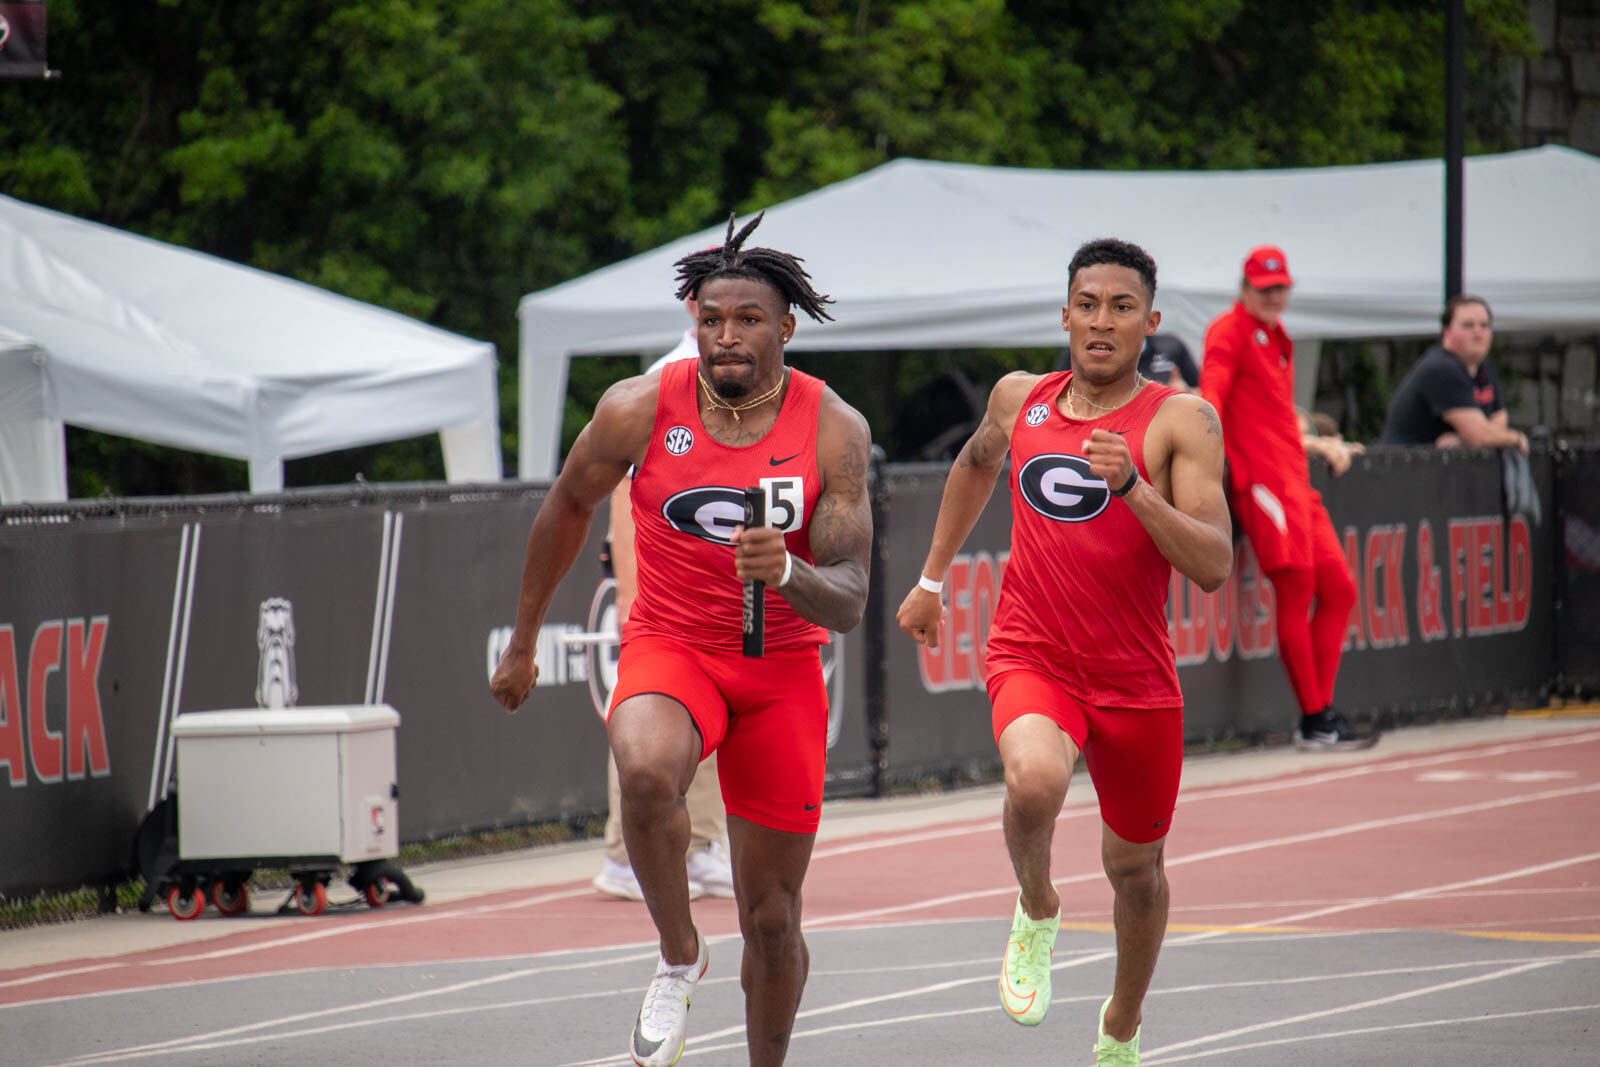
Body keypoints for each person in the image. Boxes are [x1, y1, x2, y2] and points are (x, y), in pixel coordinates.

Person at [491, 211, 872, 1067]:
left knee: (772, 920)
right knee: (647, 767)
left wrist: (790, 575)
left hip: (779, 669)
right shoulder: (638, 406)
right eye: (710, 319)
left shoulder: (834, 427)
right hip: (674, 647)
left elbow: (848, 598)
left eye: (746, 321)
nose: (726, 337)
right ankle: (676, 953)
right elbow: (566, 505)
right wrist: (523, 640)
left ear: (786, 326)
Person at [898, 238, 1233, 1065]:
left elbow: (1215, 562)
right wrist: (932, 580)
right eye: (1088, 303)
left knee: (1137, 871)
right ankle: (1038, 903)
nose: (1102, 321)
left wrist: (1133, 489)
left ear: (1150, 322)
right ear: (1065, 314)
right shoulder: (1020, 399)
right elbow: (975, 466)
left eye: (1122, 307)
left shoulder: (1181, 419)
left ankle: (1121, 1023)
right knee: (1034, 779)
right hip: (1032, 652)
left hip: (1134, 678)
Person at [1200, 245, 1374, 750]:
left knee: (1339, 588)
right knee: (1297, 588)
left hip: (1295, 480)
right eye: (1265, 287)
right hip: (1263, 483)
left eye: (1281, 287)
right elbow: (1212, 394)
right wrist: (1202, 453)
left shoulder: (1278, 337)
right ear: (1245, 288)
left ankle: (1320, 713)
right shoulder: (1228, 331)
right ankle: (1316, 718)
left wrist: (1317, 443)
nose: (1275, 296)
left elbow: (1276, 413)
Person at [593, 298, 735, 904]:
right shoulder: (666, 383)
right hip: (664, 588)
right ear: (693, 306)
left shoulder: (736, 378)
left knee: (700, 723)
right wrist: (631, 592)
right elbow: (623, 492)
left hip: (711, 586)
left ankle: (697, 844)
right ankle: (631, 854)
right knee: (655, 720)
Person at [1379, 294, 1530, 453]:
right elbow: (1479, 436)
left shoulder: (1482, 367)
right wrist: (1516, 438)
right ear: (1447, 331)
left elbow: (1498, 421)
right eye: (1467, 325)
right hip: (1405, 471)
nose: (1478, 332)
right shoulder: (1441, 368)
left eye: (1484, 325)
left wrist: (1465, 438)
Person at [1056, 333, 1200, 392]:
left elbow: (1206, 394)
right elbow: (1059, 394)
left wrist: (1185, 394)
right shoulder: (1079, 351)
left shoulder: (1171, 346)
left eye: (1123, 307)